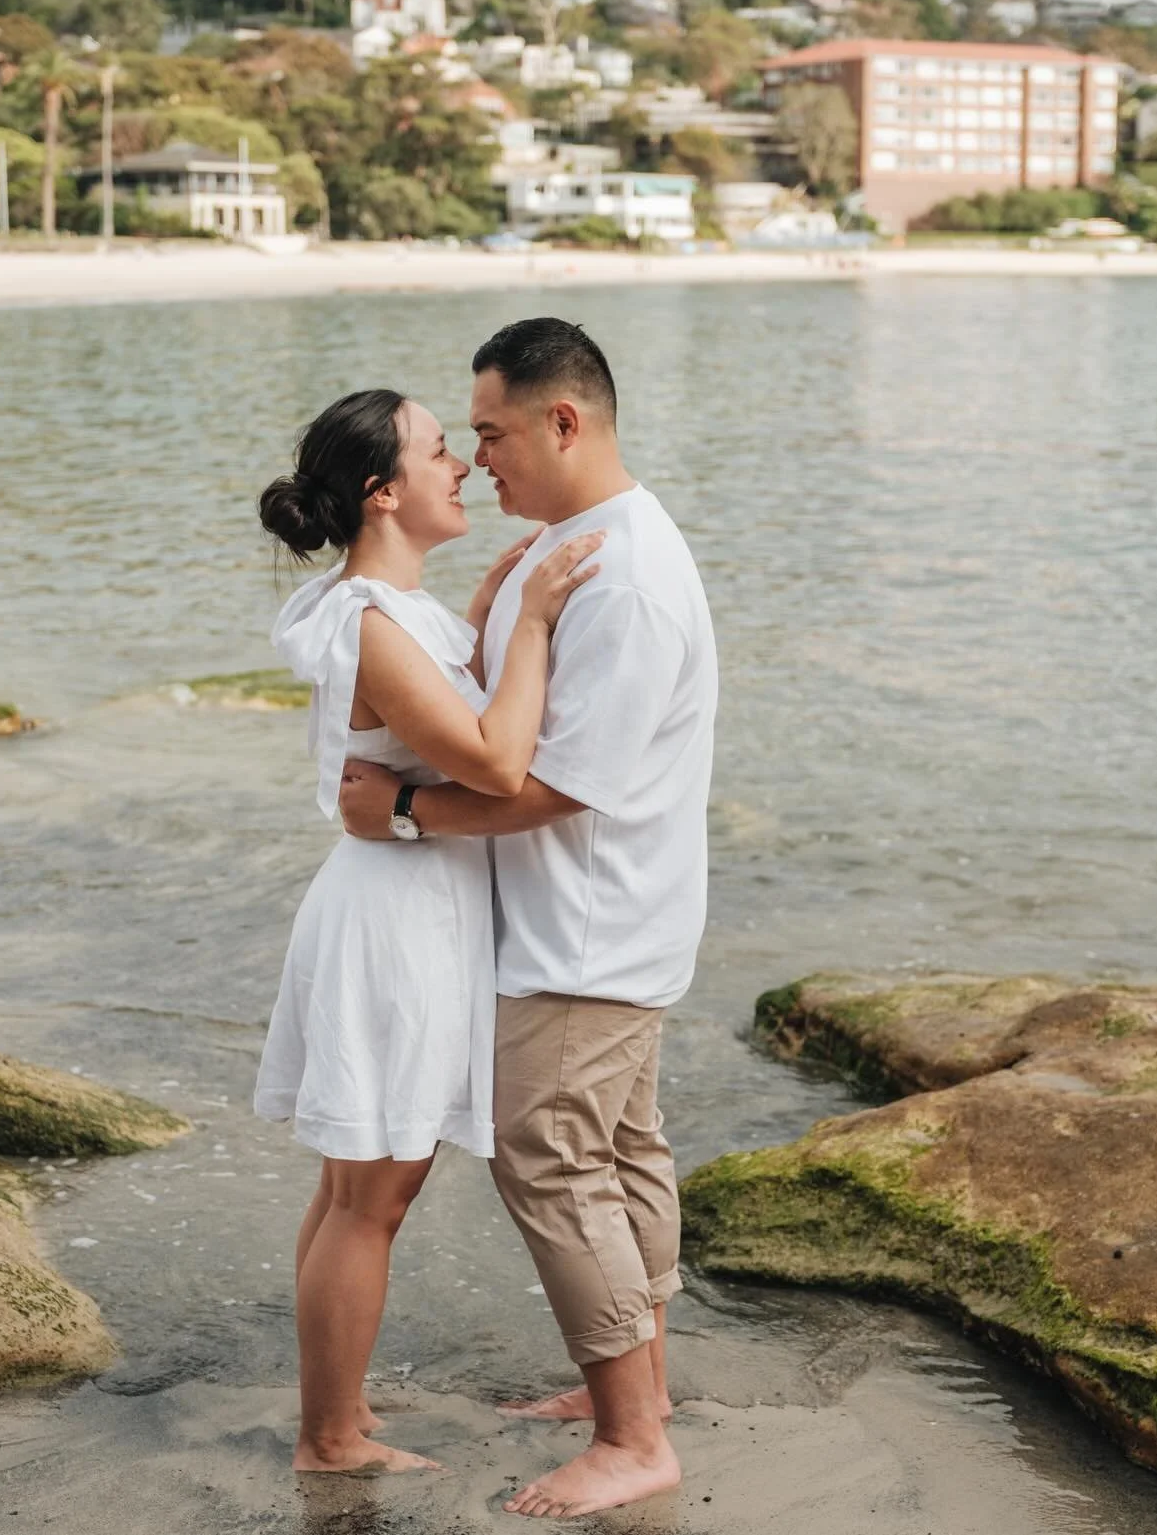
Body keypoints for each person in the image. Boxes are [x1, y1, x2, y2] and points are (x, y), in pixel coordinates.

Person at [340, 318, 718, 1520]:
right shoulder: (579, 544)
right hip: (606, 918)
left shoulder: (626, 575)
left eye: (493, 434)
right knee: (617, 1150)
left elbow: (553, 782)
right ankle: (635, 1381)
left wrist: (399, 805)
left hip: (588, 932)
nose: (480, 459)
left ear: (565, 422)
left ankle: (632, 1435)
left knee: (549, 1162)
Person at [254, 386, 603, 1478]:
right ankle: (332, 1437)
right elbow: (497, 762)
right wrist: (538, 618)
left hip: (403, 900)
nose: (461, 467)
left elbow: (461, 692)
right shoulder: (369, 619)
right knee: (372, 1193)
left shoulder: (383, 605)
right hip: (394, 920)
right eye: (442, 452)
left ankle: (335, 1407)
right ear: (383, 491)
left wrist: (503, 597)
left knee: (356, 1186)